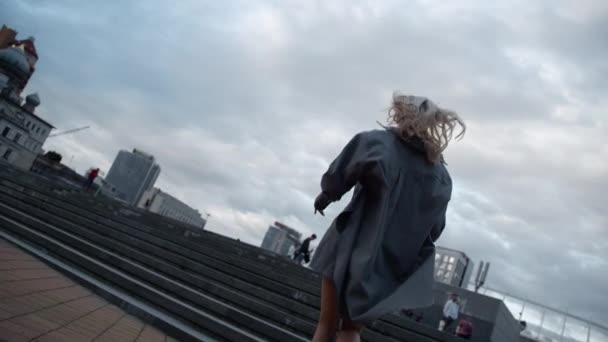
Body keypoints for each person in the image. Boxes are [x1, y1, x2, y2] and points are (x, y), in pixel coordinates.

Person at [309, 92, 465, 342]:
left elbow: (342, 172)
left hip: (350, 246)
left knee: (327, 324)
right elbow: (435, 228)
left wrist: (327, 195)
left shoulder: (378, 143)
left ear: (402, 114)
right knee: (350, 329)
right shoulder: (442, 178)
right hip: (387, 265)